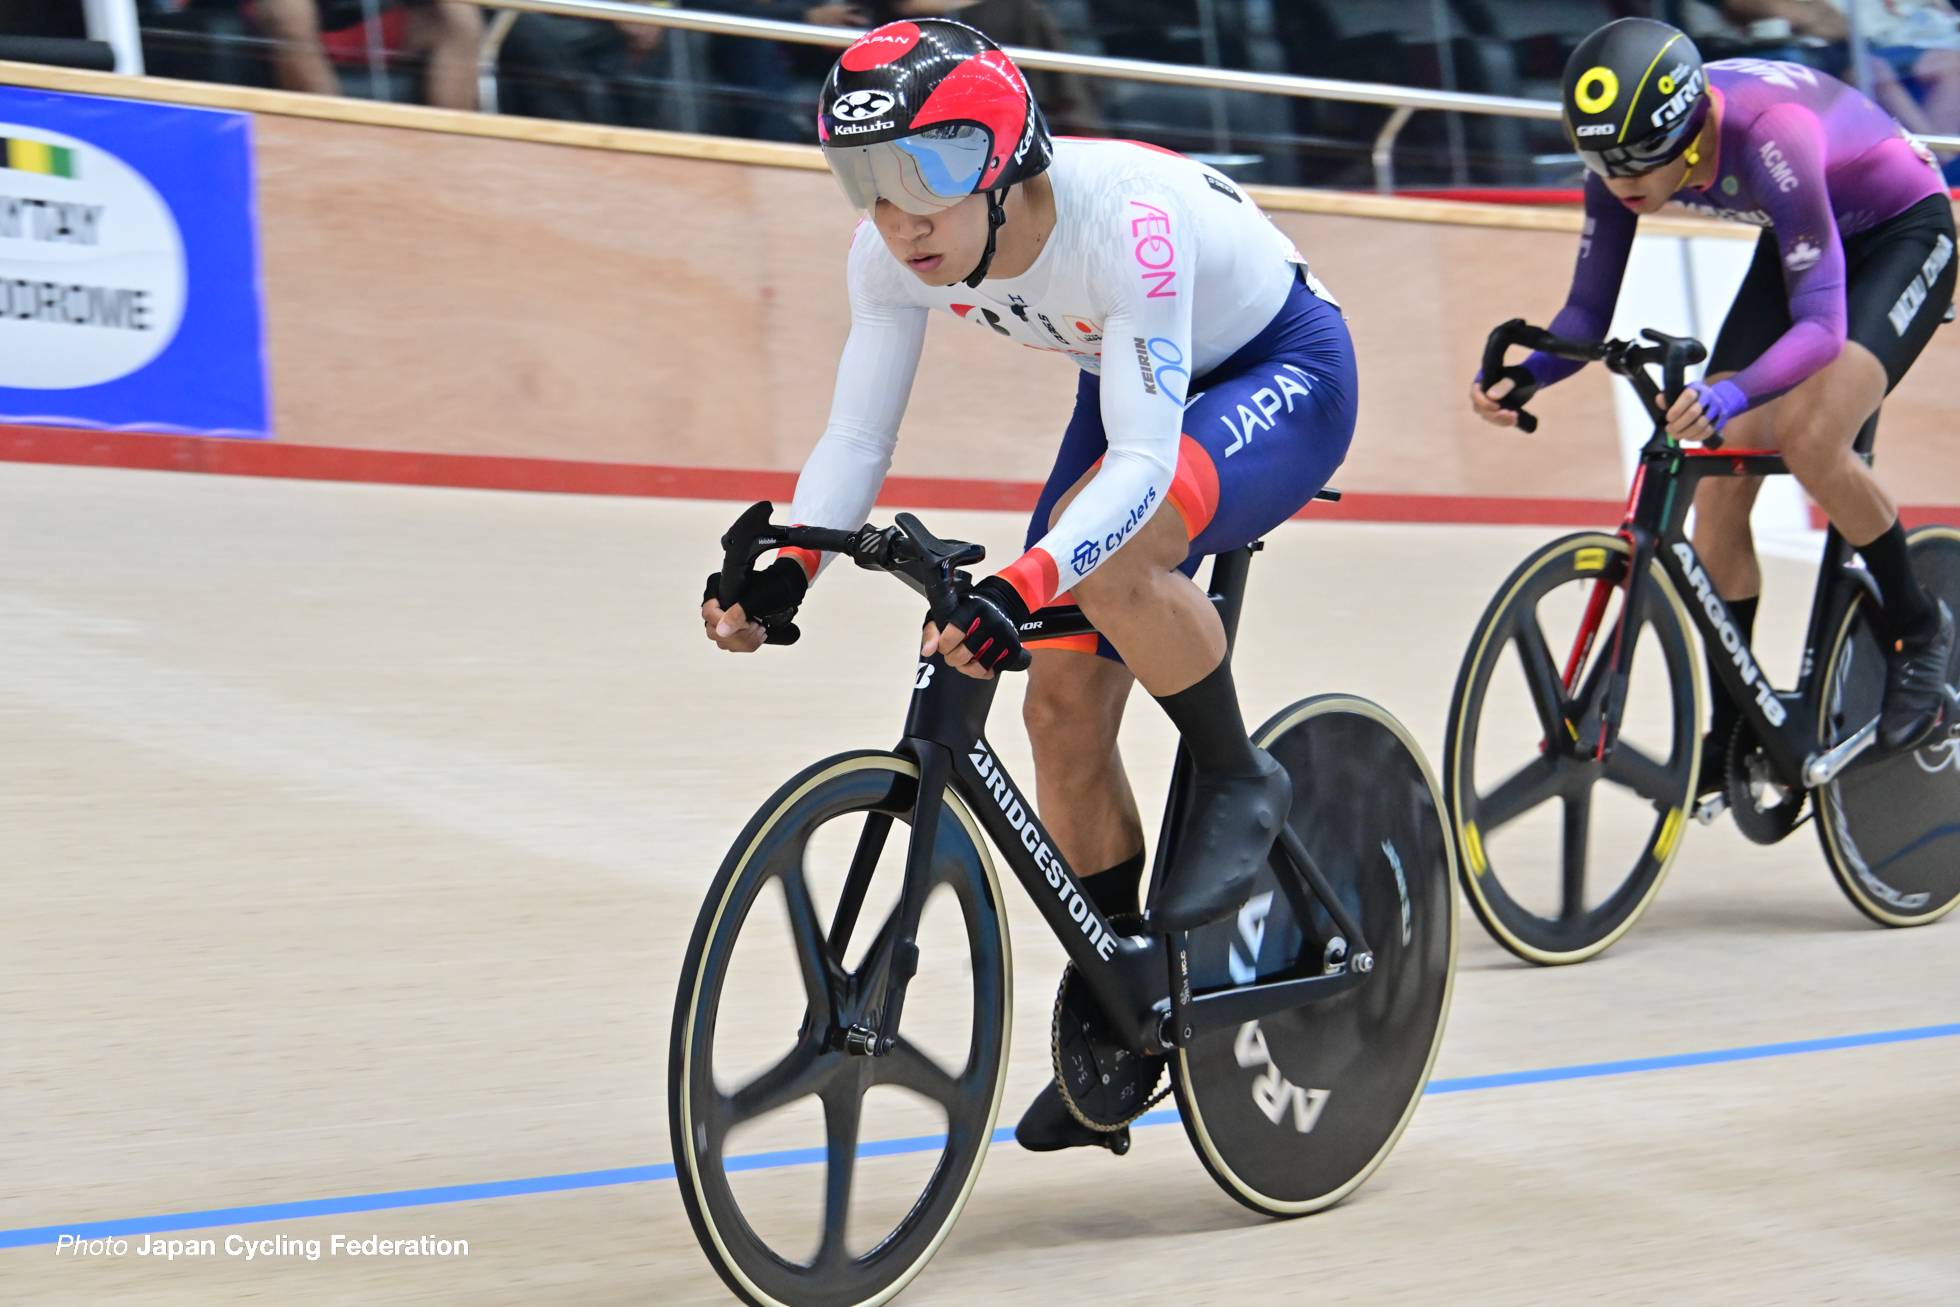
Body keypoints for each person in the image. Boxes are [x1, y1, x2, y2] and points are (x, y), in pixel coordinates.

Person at [700, 19, 1356, 1151]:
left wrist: (1024, 579)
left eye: (925, 177)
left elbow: (1141, 467)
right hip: (1130, 375)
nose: (899, 218)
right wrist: (793, 563)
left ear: (1002, 162)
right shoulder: (888, 251)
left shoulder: (1126, 222)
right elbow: (856, 436)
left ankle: (1238, 769)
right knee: (1056, 710)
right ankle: (1126, 998)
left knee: (1112, 562)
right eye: (865, 181)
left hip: (1278, 369)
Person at [1470, 17, 1957, 775]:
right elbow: (1587, 313)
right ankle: (1737, 720)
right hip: (1806, 228)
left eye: (1639, 160)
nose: (1620, 181)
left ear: (1690, 128)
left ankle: (1921, 628)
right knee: (1719, 480)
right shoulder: (1623, 155)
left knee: (1811, 437)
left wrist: (1732, 396)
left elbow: (1822, 328)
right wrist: (1530, 373)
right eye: (1601, 162)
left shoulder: (1769, 136)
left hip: (1903, 232)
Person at [254, 0, 482, 109]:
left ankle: (451, 143)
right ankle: (333, 138)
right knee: (289, 13)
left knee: (460, 18)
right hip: (302, 18)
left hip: (373, 21)